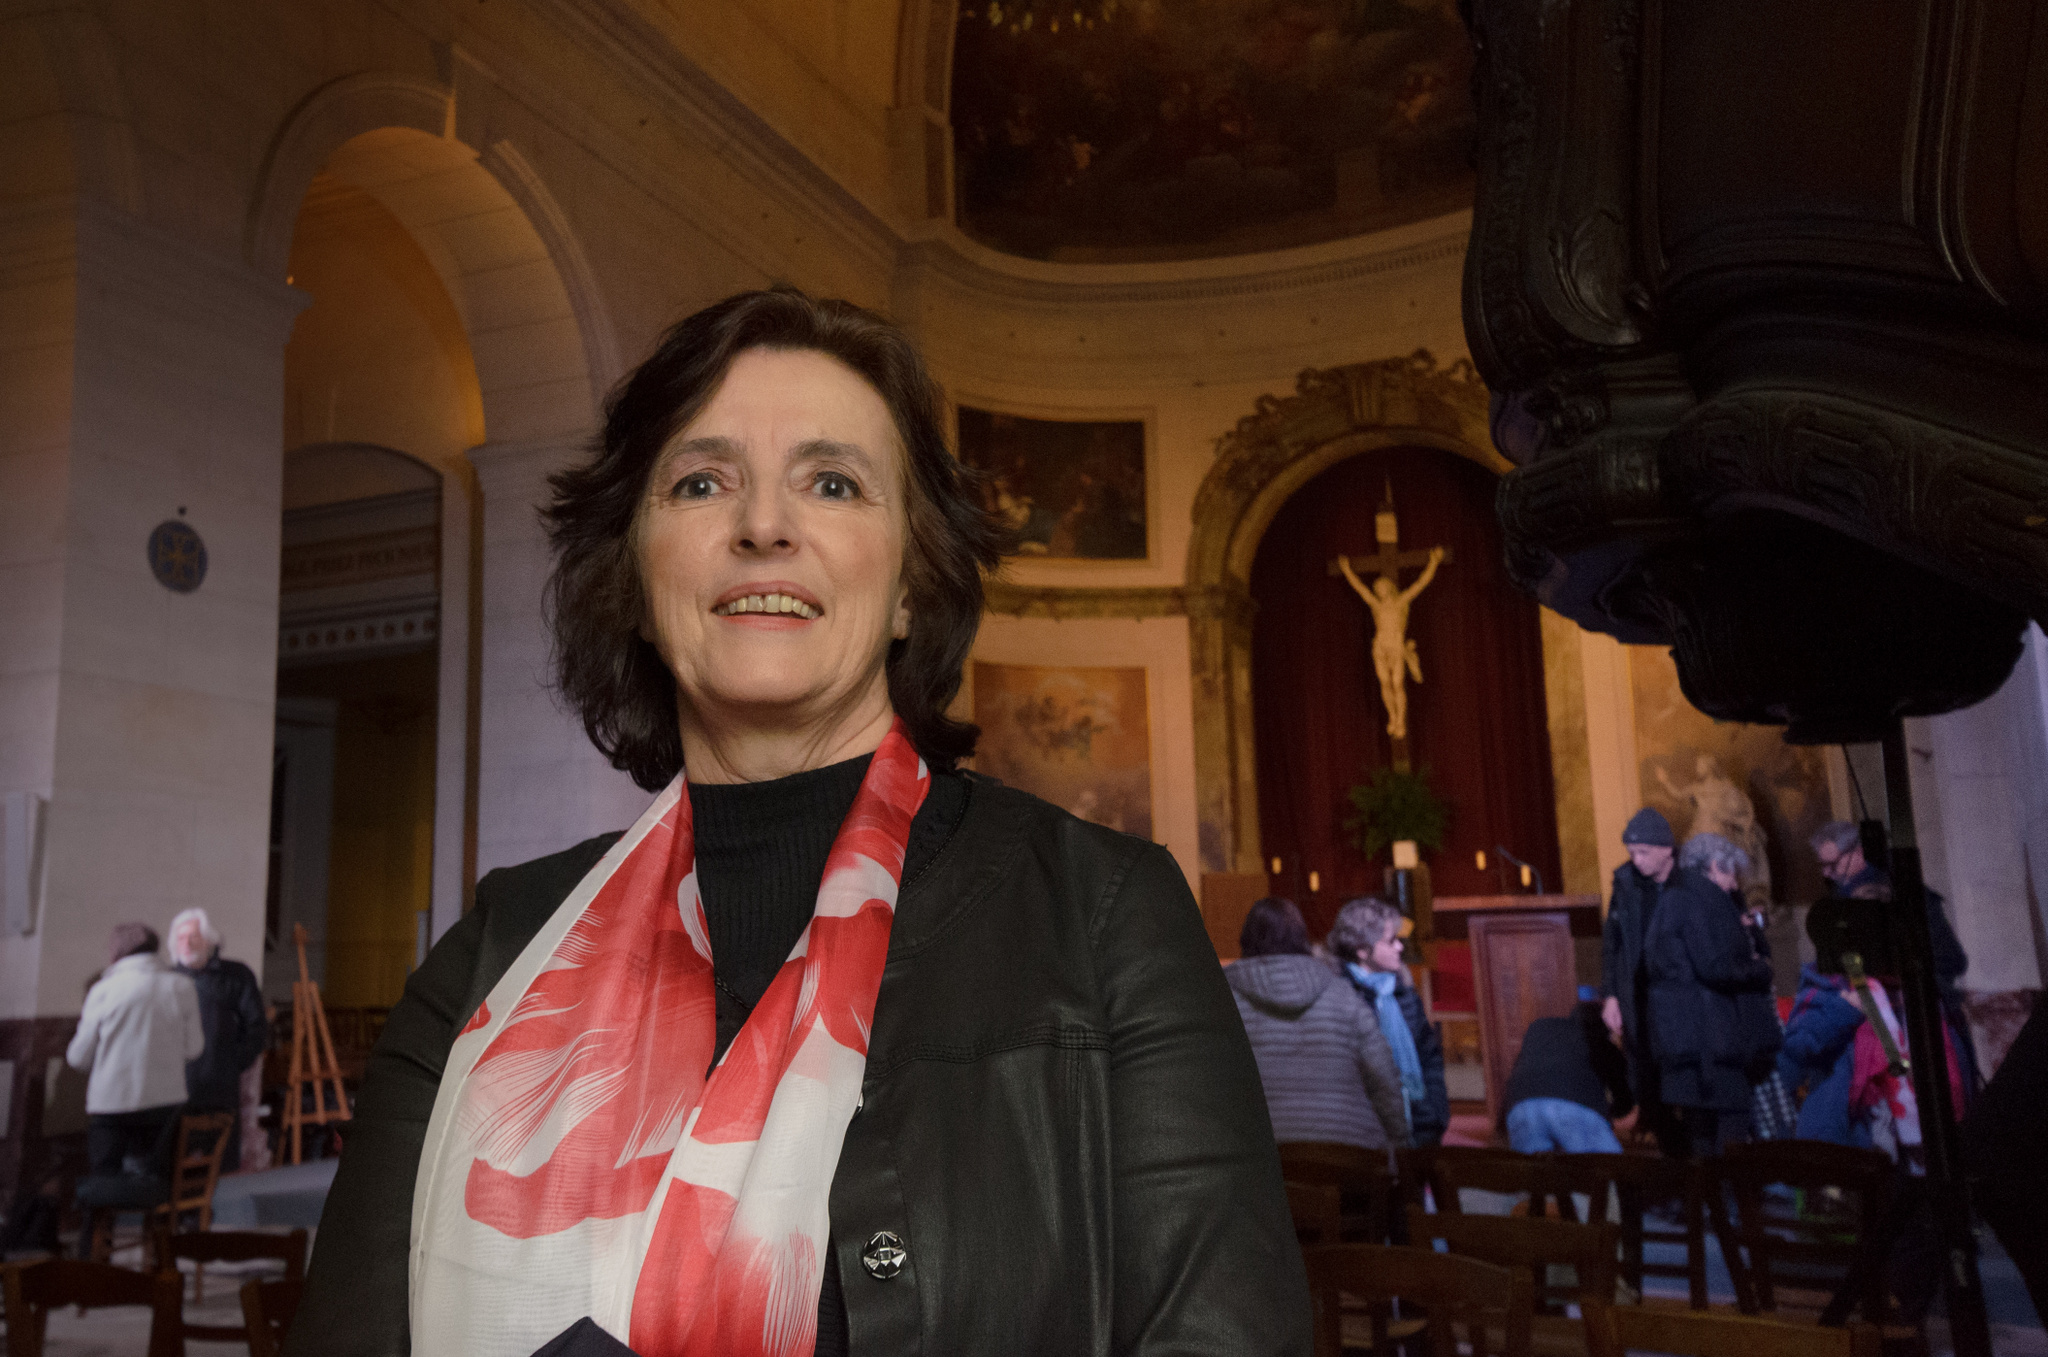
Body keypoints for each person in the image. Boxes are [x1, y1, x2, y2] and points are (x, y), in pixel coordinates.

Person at [291, 289, 1307, 1357]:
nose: (763, 524)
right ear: (635, 579)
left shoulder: (1104, 914)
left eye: (831, 482)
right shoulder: (493, 952)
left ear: (914, 582)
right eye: (699, 481)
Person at [1226, 898, 1411, 1153]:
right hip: (1349, 1149)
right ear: (1303, 939)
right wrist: (1398, 1141)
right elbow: (1382, 1076)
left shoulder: (1220, 1001)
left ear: (1246, 941)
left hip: (1255, 1155)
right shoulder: (1343, 994)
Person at [1644, 833, 1777, 1156]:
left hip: (1689, 1046)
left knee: (1702, 1143)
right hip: (1714, 1047)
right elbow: (1716, 966)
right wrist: (1761, 969)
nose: (1734, 885)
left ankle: (1708, 1205)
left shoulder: (1674, 899)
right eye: (1731, 873)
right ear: (1715, 866)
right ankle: (1729, 1206)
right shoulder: (1699, 900)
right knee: (1728, 1141)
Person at [66, 923, 204, 1184]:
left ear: (116, 952)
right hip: (165, 1103)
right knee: (159, 1184)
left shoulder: (103, 990)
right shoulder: (182, 986)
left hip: (111, 1108)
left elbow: (78, 1058)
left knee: (106, 1184)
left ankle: (104, 1224)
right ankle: (158, 1224)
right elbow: (194, 1048)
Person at [1328, 897, 1449, 1146]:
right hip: (1366, 1131)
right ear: (1362, 950)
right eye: (1391, 941)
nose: (1400, 948)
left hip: (1421, 1122)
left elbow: (1428, 1055)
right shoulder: (1339, 997)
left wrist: (1436, 1111)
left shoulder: (1402, 990)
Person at [1599, 807, 1684, 1154]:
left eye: (1643, 852)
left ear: (1667, 849)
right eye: (1632, 853)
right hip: (1639, 994)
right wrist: (1611, 996)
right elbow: (1612, 943)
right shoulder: (1626, 882)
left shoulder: (1687, 882)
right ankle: (1660, 1138)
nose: (1636, 860)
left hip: (1679, 995)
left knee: (1678, 1075)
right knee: (1644, 1069)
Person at [169, 906, 270, 1175]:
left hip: (219, 1083)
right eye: (180, 939)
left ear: (209, 940)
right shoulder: (168, 980)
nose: (187, 944)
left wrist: (234, 1062)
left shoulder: (236, 975)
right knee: (175, 1159)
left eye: (193, 937)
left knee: (219, 1162)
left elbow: (256, 1027)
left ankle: (211, 1212)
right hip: (174, 1086)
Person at [1501, 994, 1633, 1154]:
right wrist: (1608, 1114)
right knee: (1609, 1169)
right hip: (1574, 1105)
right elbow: (1624, 1100)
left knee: (1534, 1174)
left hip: (1521, 1104)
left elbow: (1519, 1074)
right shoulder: (1602, 1045)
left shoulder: (1540, 1029)